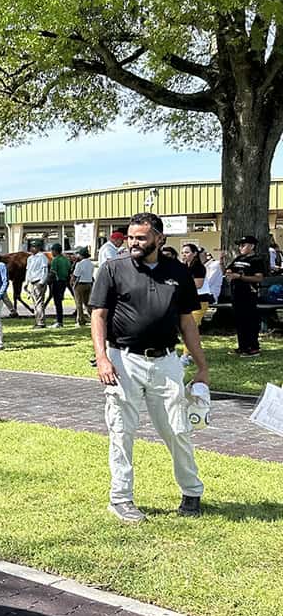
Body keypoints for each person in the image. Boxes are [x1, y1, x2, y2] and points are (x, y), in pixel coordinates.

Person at [89, 212, 207, 523]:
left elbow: (187, 323)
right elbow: (98, 316)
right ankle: (121, 499)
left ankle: (192, 492)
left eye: (141, 237)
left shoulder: (178, 272)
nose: (133, 243)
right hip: (123, 361)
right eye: (130, 237)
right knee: (121, 431)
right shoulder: (113, 269)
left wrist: (201, 366)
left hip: (166, 361)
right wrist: (102, 358)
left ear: (159, 238)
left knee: (177, 428)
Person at [226, 235, 266, 357]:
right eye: (239, 245)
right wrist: (226, 269)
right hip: (236, 293)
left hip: (249, 294)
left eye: (243, 245)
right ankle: (242, 346)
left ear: (252, 246)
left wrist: (241, 277)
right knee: (240, 321)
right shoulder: (238, 258)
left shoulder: (256, 260)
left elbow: (259, 277)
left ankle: (253, 348)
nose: (240, 247)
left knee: (250, 321)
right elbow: (229, 270)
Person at [24, 239, 50, 328]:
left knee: (39, 302)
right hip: (32, 282)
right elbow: (28, 271)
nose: (32, 248)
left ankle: (41, 322)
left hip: (39, 281)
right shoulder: (30, 258)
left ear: (38, 248)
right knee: (35, 303)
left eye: (34, 247)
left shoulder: (42, 257)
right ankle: (37, 320)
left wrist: (42, 281)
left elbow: (45, 270)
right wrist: (26, 282)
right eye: (31, 247)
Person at [48, 243, 72, 328]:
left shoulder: (55, 260)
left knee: (57, 302)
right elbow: (69, 270)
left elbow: (53, 273)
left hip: (57, 282)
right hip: (64, 282)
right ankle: (59, 319)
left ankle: (59, 321)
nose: (51, 252)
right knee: (60, 301)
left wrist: (47, 282)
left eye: (52, 251)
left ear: (55, 251)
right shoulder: (66, 260)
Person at [70, 247, 94, 326]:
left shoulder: (79, 264)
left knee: (79, 303)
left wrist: (71, 282)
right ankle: (93, 318)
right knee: (87, 303)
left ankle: (80, 320)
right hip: (89, 283)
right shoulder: (91, 264)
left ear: (81, 255)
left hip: (80, 284)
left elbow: (75, 275)